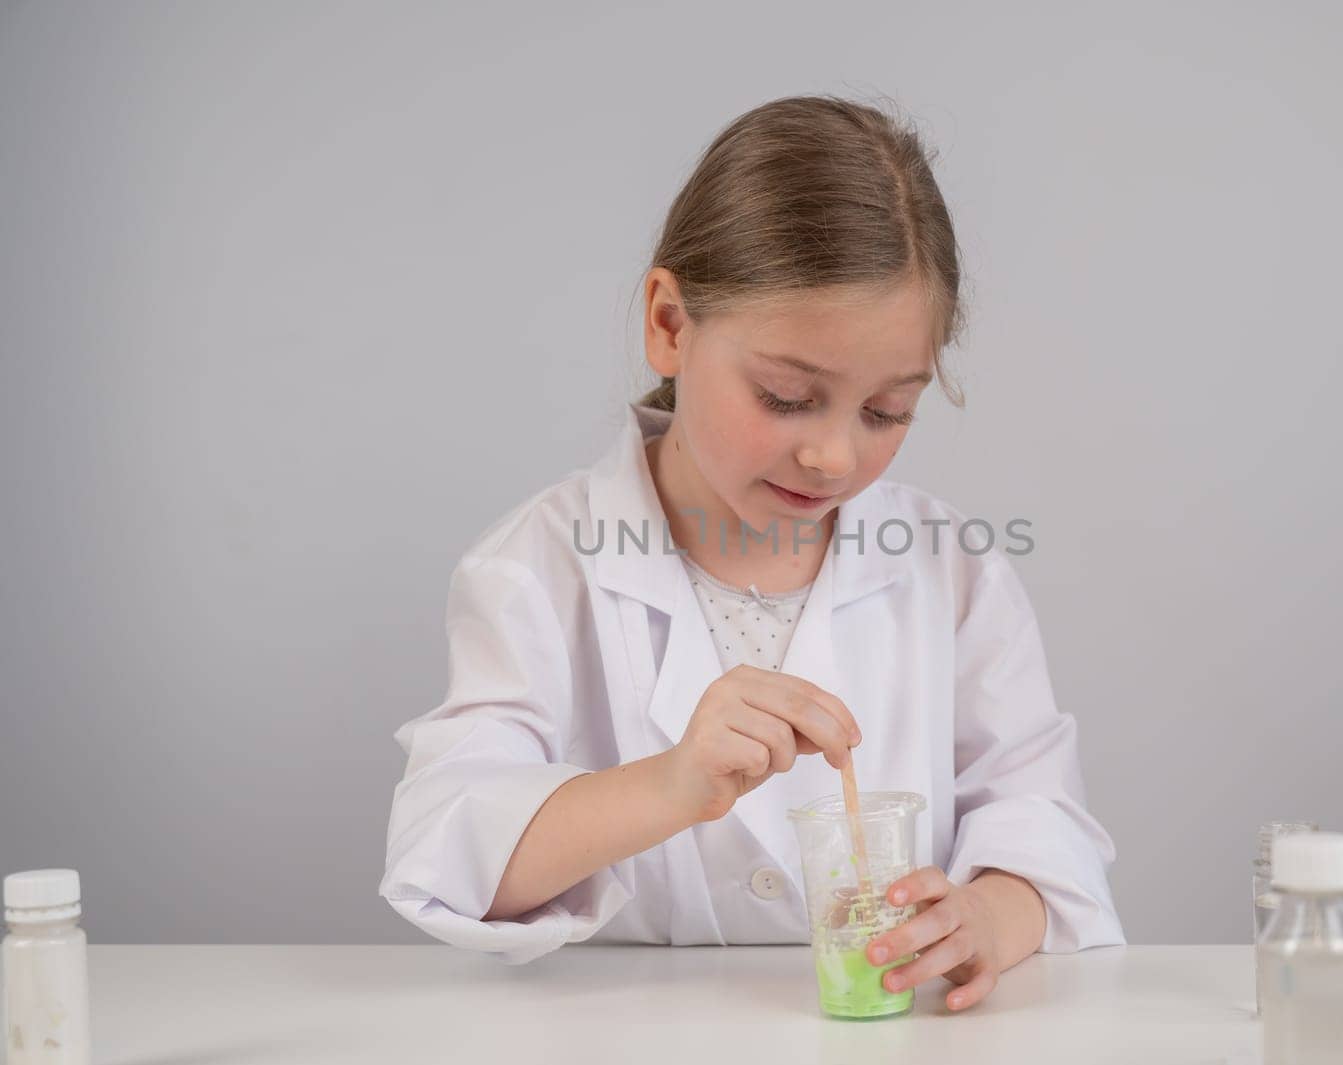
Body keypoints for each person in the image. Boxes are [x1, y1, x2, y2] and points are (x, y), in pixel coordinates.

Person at [379, 93, 1124, 1011]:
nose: (836, 456)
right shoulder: (536, 569)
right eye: (784, 395)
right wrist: (670, 784)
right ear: (670, 323)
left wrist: (987, 917)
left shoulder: (954, 573)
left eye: (888, 411)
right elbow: (449, 850)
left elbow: (1041, 822)